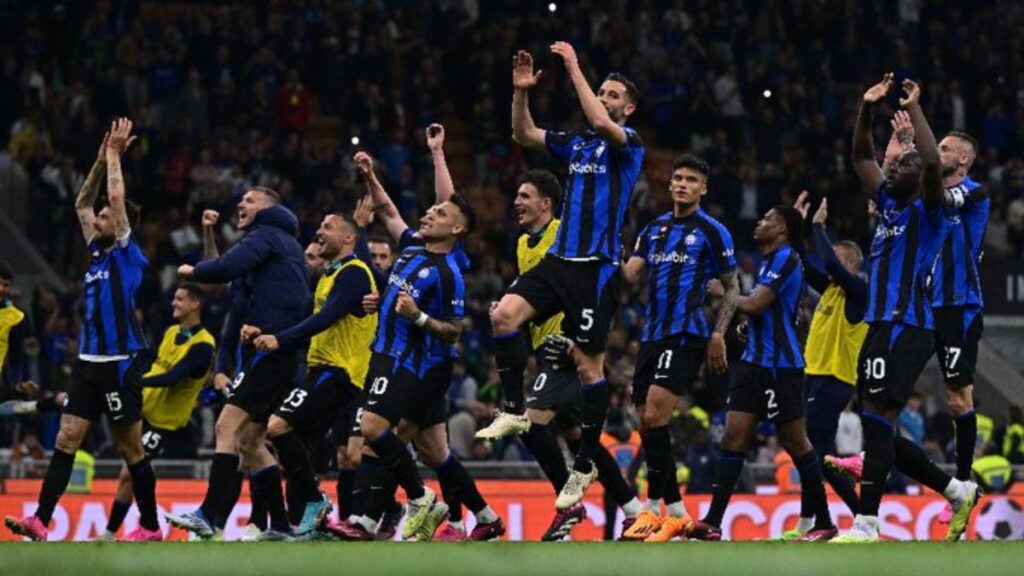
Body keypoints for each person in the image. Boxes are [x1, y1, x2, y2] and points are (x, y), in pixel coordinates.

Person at [489, 43, 645, 511]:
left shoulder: (628, 144)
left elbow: (601, 122)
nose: (604, 98)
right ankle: (513, 410)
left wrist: (574, 66)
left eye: (613, 94)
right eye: (602, 91)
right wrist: (520, 92)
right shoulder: (576, 144)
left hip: (595, 270)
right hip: (560, 261)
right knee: (504, 317)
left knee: (589, 367)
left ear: (628, 107)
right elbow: (524, 134)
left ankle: (581, 468)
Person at [329, 140, 501, 542]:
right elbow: (388, 211)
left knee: (374, 432)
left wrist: (417, 316)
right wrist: (370, 176)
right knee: (432, 451)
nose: (429, 212)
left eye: (439, 213)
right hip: (395, 356)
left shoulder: (449, 271)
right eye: (430, 210)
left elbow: (455, 328)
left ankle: (419, 500)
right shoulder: (409, 248)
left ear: (456, 229)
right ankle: (485, 516)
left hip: (414, 362)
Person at [832, 74, 979, 543]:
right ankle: (955, 489)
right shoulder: (890, 204)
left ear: (919, 180)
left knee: (878, 419)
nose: (888, 170)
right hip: (881, 324)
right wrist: (866, 106)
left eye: (899, 169)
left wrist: (915, 109)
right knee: (879, 427)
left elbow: (934, 161)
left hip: (909, 323)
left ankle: (867, 523)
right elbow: (859, 156)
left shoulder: (929, 211)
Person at [5, 119, 162, 542]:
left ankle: (149, 525)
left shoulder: (128, 254)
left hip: (121, 362)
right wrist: (97, 160)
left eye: (106, 216)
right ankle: (40, 520)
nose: (100, 217)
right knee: (67, 437)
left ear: (122, 221)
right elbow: (80, 203)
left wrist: (114, 155)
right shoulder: (96, 252)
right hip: (88, 362)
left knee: (131, 449)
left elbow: (114, 195)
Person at [166, 185, 311, 539]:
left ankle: (209, 513)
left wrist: (193, 269)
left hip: (270, 351)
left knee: (225, 428)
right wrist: (208, 238)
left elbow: (222, 268)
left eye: (249, 200)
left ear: (266, 207)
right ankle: (278, 524)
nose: (240, 204)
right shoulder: (274, 245)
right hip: (275, 352)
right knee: (250, 442)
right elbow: (228, 272)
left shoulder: (268, 234)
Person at [687, 205, 838, 542]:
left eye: (768, 218)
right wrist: (747, 331)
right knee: (733, 437)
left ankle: (825, 521)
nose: (759, 222)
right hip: (751, 364)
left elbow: (755, 305)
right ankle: (712, 522)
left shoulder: (787, 257)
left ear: (782, 229)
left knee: (796, 443)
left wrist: (724, 292)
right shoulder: (768, 261)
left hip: (779, 368)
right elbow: (764, 311)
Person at [618, 153, 740, 542]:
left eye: (692, 180)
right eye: (678, 178)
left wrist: (718, 334)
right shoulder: (653, 228)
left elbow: (732, 285)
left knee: (654, 414)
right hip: (651, 335)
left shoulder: (712, 230)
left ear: (703, 188)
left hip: (686, 334)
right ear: (669, 185)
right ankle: (668, 509)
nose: (683, 184)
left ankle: (661, 507)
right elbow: (629, 274)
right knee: (646, 419)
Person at [247, 209, 378, 539]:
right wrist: (264, 331)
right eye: (320, 224)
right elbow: (306, 321)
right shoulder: (328, 277)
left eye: (328, 226)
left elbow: (327, 318)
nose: (320, 230)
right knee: (301, 446)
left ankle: (316, 501)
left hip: (338, 371)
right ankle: (304, 526)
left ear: (349, 238)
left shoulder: (354, 274)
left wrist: (278, 340)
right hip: (321, 370)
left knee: (276, 427)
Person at [771, 192, 867, 540]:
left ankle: (857, 518)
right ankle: (813, 521)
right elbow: (801, 260)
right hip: (813, 378)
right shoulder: (830, 291)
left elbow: (826, 260)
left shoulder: (858, 293)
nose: (831, 266)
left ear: (852, 266)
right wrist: (798, 229)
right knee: (813, 454)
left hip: (834, 380)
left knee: (809, 450)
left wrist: (818, 227)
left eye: (839, 262)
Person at [99, 283, 215, 540]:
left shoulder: (204, 345)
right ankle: (124, 531)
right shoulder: (172, 331)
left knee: (130, 472)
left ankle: (139, 529)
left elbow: (172, 377)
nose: (174, 303)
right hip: (144, 411)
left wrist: (135, 382)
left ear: (195, 304)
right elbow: (155, 365)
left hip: (165, 423)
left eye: (180, 299)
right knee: (129, 473)